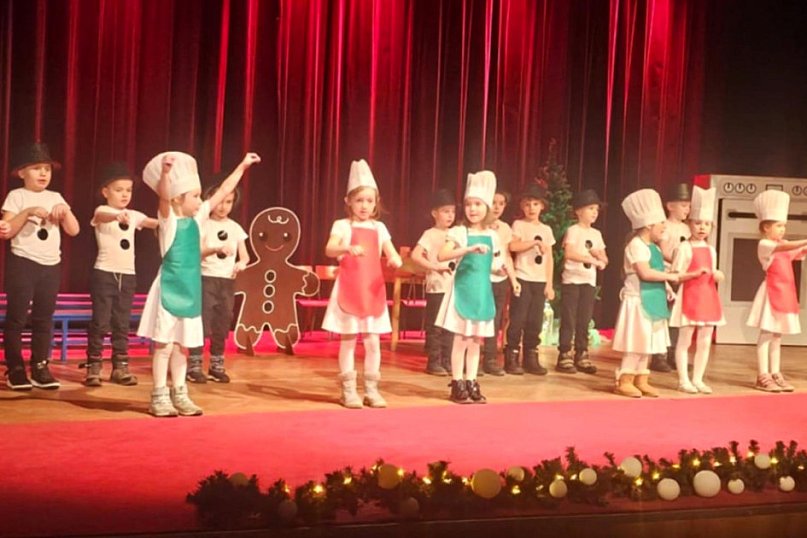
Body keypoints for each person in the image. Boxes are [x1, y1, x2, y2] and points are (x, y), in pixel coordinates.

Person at [137, 151, 260, 416]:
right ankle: (159, 394)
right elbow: (164, 199)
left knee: (183, 346)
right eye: (194, 196)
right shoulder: (169, 223)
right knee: (164, 346)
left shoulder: (197, 219)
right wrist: (166, 173)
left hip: (191, 291)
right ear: (177, 199)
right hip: (170, 288)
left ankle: (180, 392)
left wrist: (242, 165)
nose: (201, 200)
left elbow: (224, 189)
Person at [323, 159, 402, 409]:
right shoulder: (342, 225)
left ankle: (371, 390)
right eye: (359, 200)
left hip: (371, 291)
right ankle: (348, 390)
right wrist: (346, 247)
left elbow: (391, 252)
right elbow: (329, 249)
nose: (365, 205)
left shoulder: (380, 227)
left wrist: (395, 259)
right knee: (348, 341)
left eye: (369, 200)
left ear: (376, 202)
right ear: (348, 201)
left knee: (372, 342)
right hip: (349, 289)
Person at [1, 143, 80, 390]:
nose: (43, 173)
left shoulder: (55, 197)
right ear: (22, 173)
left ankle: (40, 366)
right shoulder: (17, 196)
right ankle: (15, 368)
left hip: (50, 265)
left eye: (47, 168)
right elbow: (7, 231)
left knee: (44, 318)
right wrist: (27, 212)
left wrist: (65, 212)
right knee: (16, 318)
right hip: (23, 262)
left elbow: (74, 230)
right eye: (36, 168)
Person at [436, 171, 518, 403]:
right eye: (468, 204)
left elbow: (493, 264)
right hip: (463, 291)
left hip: (482, 293)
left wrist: (500, 271)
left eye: (478, 204)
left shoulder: (493, 236)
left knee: (475, 341)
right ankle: (457, 382)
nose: (472, 209)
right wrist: (467, 249)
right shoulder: (460, 232)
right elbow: (442, 255)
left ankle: (471, 380)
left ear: (487, 207)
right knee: (461, 339)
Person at [612, 189, 699, 398]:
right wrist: (672, 277)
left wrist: (667, 287)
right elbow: (645, 272)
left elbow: (657, 269)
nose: (664, 227)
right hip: (638, 301)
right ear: (649, 225)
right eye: (661, 223)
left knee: (648, 343)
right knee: (636, 343)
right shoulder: (636, 245)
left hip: (653, 299)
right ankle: (624, 379)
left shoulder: (655, 248)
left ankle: (641, 379)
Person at [81, 162, 158, 387]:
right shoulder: (102, 211)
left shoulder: (133, 214)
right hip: (104, 274)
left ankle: (120, 366)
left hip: (128, 275)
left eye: (128, 190)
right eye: (119, 190)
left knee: (122, 323)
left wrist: (173, 219)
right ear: (106, 192)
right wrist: (117, 216)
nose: (125, 194)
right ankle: (94, 366)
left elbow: (154, 223)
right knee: (100, 322)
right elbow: (103, 215)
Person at [186, 183, 249, 384]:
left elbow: (245, 256)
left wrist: (241, 264)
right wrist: (215, 249)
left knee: (222, 323)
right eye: (220, 201)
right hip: (206, 279)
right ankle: (194, 365)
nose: (223, 207)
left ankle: (216, 365)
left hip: (227, 282)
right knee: (201, 322)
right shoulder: (203, 224)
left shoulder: (235, 227)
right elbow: (196, 252)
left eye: (228, 202)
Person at [746, 189, 807, 393]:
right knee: (766, 333)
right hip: (771, 293)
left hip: (786, 292)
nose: (782, 230)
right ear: (766, 227)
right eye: (779, 226)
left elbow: (798, 251)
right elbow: (788, 248)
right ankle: (762, 375)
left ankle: (775, 372)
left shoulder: (784, 243)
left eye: (784, 226)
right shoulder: (765, 244)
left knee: (777, 336)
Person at [669, 186, 724, 394]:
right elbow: (676, 275)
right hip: (690, 297)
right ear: (690, 224)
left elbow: (712, 270)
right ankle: (683, 379)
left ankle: (698, 379)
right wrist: (693, 274)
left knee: (704, 341)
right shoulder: (684, 247)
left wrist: (717, 274)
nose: (702, 228)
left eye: (706, 224)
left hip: (708, 297)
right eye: (698, 223)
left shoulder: (711, 249)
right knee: (684, 340)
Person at [504, 182, 554, 376]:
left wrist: (549, 284)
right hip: (523, 277)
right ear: (522, 207)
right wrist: (533, 242)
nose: (531, 208)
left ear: (542, 206)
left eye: (535, 204)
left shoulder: (546, 229)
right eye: (527, 204)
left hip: (539, 280)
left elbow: (549, 258)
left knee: (535, 320)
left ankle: (531, 355)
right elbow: (512, 246)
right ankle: (512, 354)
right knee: (518, 318)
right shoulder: (519, 225)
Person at [556, 189, 607, 375]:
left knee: (584, 319)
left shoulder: (597, 234)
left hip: (588, 281)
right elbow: (569, 253)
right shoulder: (573, 230)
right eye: (590, 208)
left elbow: (604, 259)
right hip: (572, 280)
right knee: (569, 318)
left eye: (596, 209)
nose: (594, 212)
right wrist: (591, 259)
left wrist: (598, 257)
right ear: (578, 211)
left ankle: (582, 352)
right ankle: (564, 353)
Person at [411, 188, 456, 376]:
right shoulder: (430, 234)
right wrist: (434, 267)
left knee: (450, 326)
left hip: (453, 287)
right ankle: (434, 361)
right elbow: (415, 255)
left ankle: (447, 360)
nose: (450, 215)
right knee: (436, 326)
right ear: (434, 213)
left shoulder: (456, 233)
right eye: (445, 211)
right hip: (437, 286)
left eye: (452, 211)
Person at [652, 182, 692, 372]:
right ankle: (658, 355)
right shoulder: (665, 227)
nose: (687, 209)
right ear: (670, 206)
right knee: (663, 316)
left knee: (676, 317)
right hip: (666, 275)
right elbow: (664, 251)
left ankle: (673, 353)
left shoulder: (687, 229)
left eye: (688, 206)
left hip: (681, 277)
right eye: (683, 205)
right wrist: (680, 260)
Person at [482, 188, 515, 376]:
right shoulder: (478, 224)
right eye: (493, 202)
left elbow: (507, 254)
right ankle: (469, 357)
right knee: (476, 318)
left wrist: (513, 279)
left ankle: (490, 358)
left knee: (494, 319)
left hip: (500, 279)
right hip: (482, 278)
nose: (497, 207)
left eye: (501, 204)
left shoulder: (505, 228)